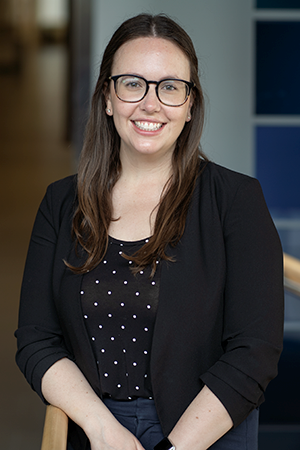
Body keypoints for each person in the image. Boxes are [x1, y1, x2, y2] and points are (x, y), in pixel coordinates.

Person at [15, 13, 284, 450]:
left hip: (206, 431)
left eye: (170, 87)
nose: (151, 103)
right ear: (107, 97)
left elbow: (255, 351)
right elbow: (36, 340)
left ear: (190, 104)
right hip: (97, 429)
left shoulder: (236, 200)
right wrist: (103, 430)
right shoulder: (60, 203)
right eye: (132, 83)